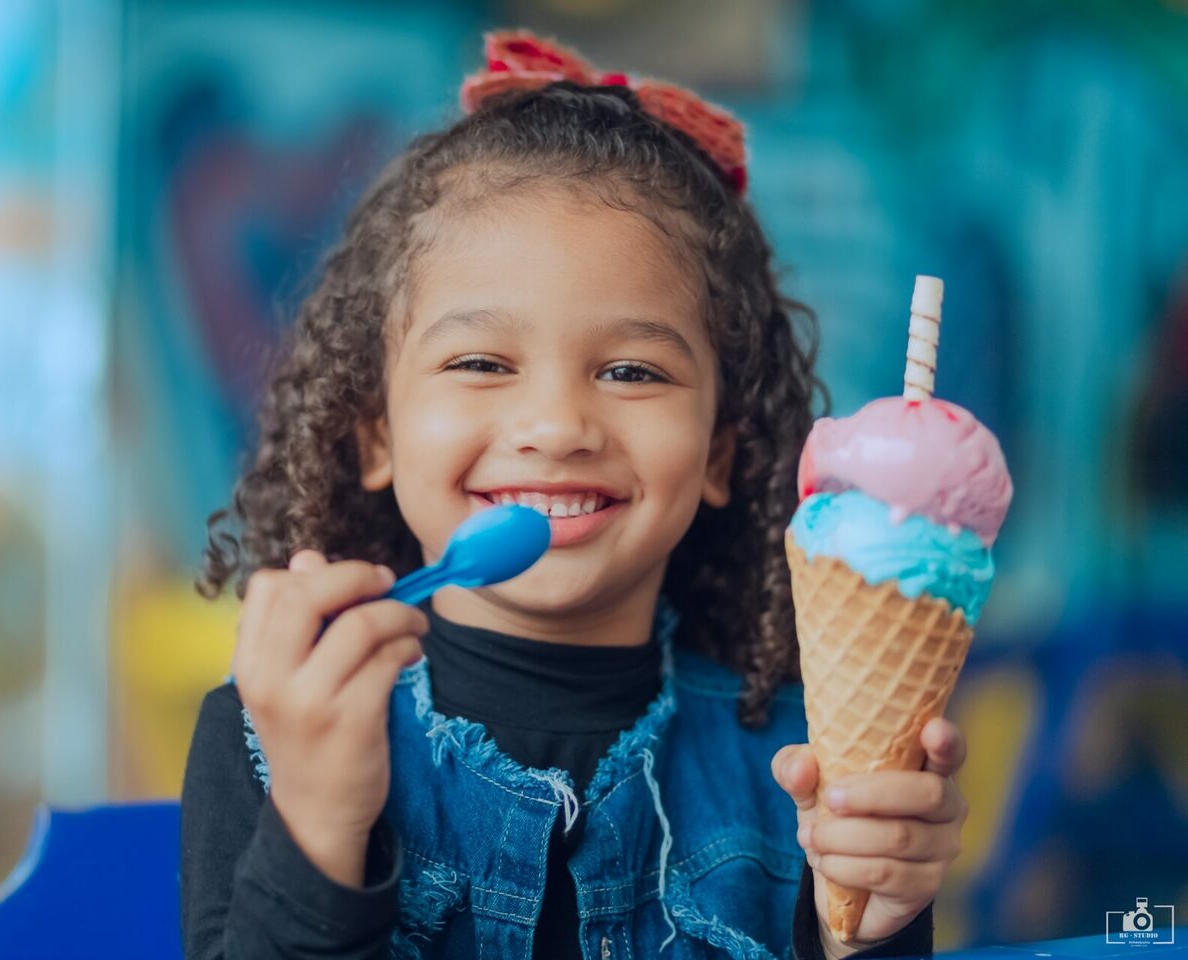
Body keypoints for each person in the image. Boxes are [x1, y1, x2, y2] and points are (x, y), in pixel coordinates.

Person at [180, 28, 967, 960]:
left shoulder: (808, 771)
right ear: (376, 433)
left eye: (633, 372)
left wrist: (873, 926)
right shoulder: (263, 737)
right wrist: (316, 823)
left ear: (720, 453)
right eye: (480, 362)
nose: (556, 425)